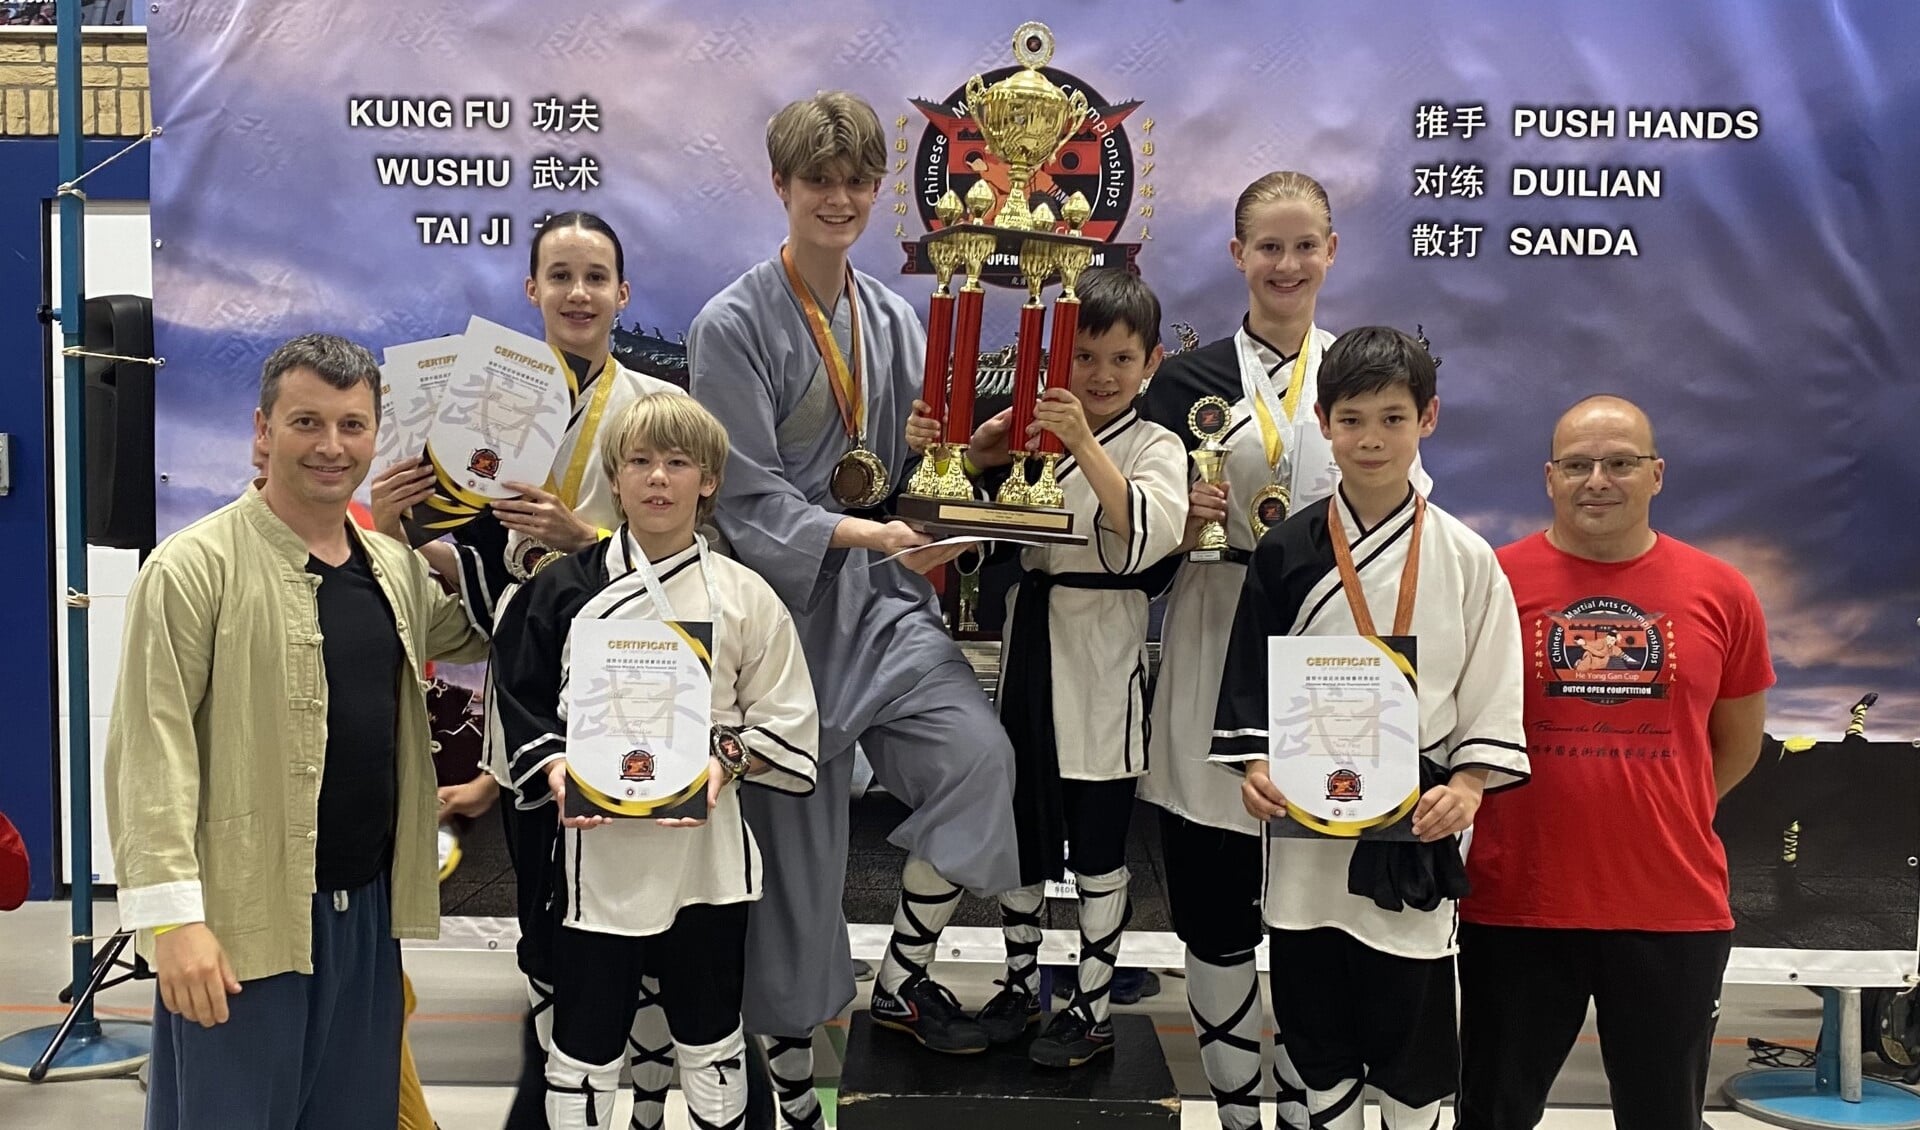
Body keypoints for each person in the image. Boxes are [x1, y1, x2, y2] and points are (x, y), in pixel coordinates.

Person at [688, 89, 1021, 1122]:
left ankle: (905, 975)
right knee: (795, 869)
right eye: (818, 180)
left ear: (879, 191)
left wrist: (973, 457)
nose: (839, 198)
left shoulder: (889, 315)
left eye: (856, 181)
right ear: (781, 186)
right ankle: (785, 1080)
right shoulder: (730, 324)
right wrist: (863, 529)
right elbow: (740, 493)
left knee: (977, 758)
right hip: (775, 618)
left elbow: (906, 470)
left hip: (877, 597)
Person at [105, 334, 490, 1129]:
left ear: (376, 434)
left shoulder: (392, 569)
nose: (331, 446)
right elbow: (151, 754)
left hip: (366, 920)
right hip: (242, 923)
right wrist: (173, 923)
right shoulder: (191, 569)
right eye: (307, 422)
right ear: (261, 431)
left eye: (352, 425)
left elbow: (496, 635)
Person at [368, 209, 685, 1130]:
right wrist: (394, 522)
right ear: (531, 291)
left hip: (636, 676)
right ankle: (551, 1093)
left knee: (650, 893)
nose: (578, 293)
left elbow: (696, 546)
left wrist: (582, 538)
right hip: (531, 677)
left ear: (623, 294)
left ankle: (654, 1105)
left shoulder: (653, 411)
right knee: (547, 892)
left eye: (596, 277)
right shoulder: (479, 401)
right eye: (560, 276)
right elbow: (459, 552)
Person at [1137, 171, 1428, 1130]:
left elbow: (1407, 532)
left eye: (1305, 246)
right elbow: (1136, 536)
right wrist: (1184, 524)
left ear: (1333, 252)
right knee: (1217, 910)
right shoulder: (1181, 383)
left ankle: (1314, 1110)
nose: (1287, 264)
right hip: (1211, 649)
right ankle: (1231, 1109)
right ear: (1237, 257)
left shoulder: (1364, 383)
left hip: (1331, 680)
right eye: (1269, 246)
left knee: (1317, 912)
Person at [1209, 326, 1528, 1130]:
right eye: (1352, 418)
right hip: (1307, 829)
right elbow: (1250, 683)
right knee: (1316, 1022)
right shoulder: (1285, 551)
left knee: (1411, 1026)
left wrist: (1469, 783)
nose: (1371, 438)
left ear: (1429, 418)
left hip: (1415, 821)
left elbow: (1492, 685)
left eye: (1392, 417)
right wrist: (1254, 771)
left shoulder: (1465, 557)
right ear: (1324, 422)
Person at [490, 392, 819, 1130]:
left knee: (711, 1040)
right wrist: (553, 770)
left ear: (708, 481)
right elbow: (521, 700)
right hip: (593, 856)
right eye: (640, 461)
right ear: (616, 476)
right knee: (582, 1052)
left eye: (677, 463)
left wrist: (724, 762)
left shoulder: (744, 596)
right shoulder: (559, 589)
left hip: (706, 857)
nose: (657, 478)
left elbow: (787, 714)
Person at [1455, 395, 1773, 1130]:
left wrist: (1659, 804)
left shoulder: (1723, 593)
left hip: (1672, 907)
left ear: (1656, 474)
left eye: (1621, 462)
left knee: (1664, 1117)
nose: (1598, 479)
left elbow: (1736, 747)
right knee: (1492, 1115)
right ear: (1549, 478)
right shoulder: (1491, 582)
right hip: (1517, 903)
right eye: (1578, 464)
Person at [917, 269, 1185, 1066]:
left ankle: (1093, 1007)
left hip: (1105, 650)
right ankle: (1023, 985)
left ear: (1153, 363)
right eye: (1086, 357)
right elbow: (961, 533)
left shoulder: (1157, 444)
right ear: (1056, 363)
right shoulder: (1039, 439)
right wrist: (980, 454)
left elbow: (1147, 538)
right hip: (1031, 645)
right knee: (1026, 836)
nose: (1101, 376)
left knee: (1099, 851)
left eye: (1121, 359)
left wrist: (1083, 443)